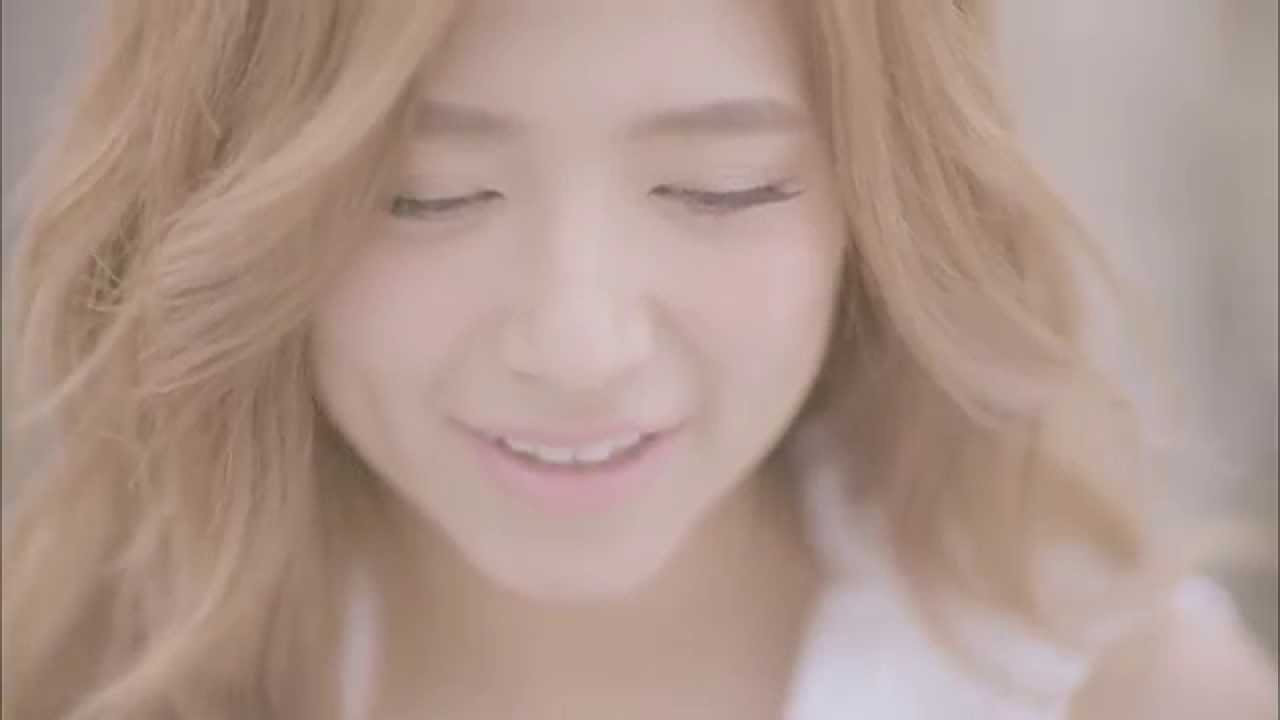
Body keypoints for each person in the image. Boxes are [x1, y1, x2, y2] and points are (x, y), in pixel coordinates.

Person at [2, 1, 1275, 718]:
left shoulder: (1123, 697)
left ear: (880, 205)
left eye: (724, 187)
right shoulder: (71, 676)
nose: (579, 346)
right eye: (424, 194)